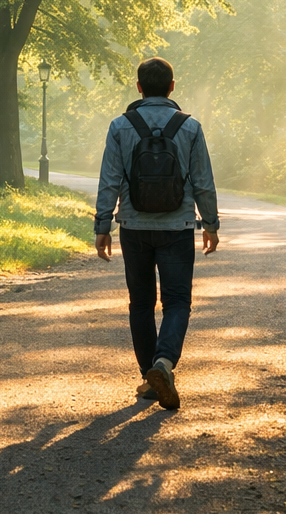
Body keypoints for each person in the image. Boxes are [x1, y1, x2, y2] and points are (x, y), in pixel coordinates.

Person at [93, 57, 219, 410]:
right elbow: (203, 182)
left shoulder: (121, 126)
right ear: (172, 87)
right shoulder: (190, 127)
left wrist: (103, 225)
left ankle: (149, 375)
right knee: (177, 301)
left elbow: (109, 180)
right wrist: (210, 224)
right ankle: (163, 363)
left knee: (141, 303)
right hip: (178, 227)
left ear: (138, 87)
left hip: (133, 226)